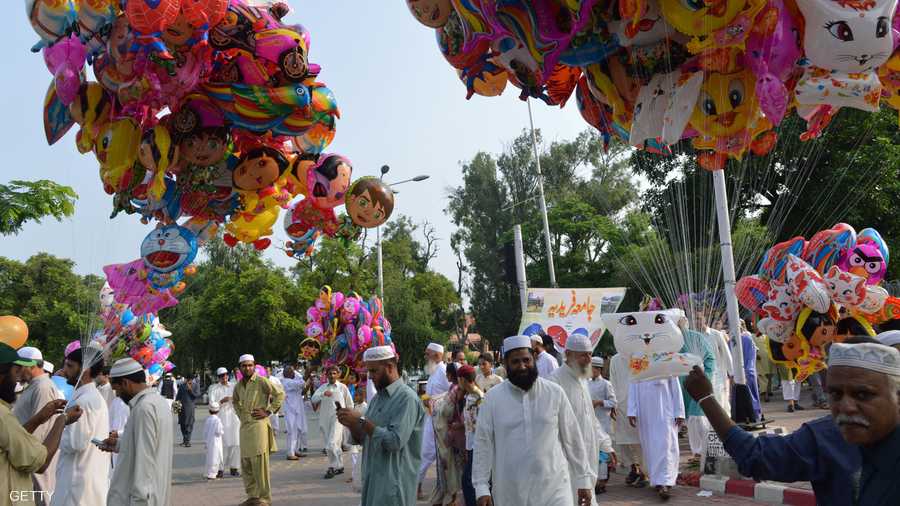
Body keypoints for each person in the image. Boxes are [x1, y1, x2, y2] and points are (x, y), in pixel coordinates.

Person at [473, 335, 593, 506]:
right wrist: (481, 487)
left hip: (555, 488)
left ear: (534, 359)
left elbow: (573, 438)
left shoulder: (554, 392)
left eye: (526, 360)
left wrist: (583, 480)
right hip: (510, 491)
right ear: (506, 365)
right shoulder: (493, 398)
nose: (522, 366)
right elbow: (482, 444)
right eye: (515, 362)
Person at [337, 345, 424, 506]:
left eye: (374, 371)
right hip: (373, 483)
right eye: (368, 372)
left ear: (390, 367)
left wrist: (361, 420)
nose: (370, 377)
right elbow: (366, 438)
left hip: (394, 487)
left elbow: (394, 441)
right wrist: (351, 423)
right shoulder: (377, 398)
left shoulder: (407, 399)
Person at [1, 342, 82, 506]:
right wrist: (63, 420)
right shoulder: (3, 414)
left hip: (29, 462)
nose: (16, 378)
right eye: (13, 372)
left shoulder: (42, 387)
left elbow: (31, 437)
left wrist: (39, 418)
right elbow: (37, 458)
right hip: (27, 461)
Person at [549, 334, 613, 504]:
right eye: (583, 355)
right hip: (566, 460)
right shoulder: (554, 381)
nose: (588, 359)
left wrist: (606, 445)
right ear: (568, 354)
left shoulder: (583, 380)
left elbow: (590, 418)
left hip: (589, 454)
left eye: (590, 354)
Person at [103, 357, 174, 506]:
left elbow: (145, 461)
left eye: (117, 390)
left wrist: (139, 500)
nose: (117, 395)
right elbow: (147, 446)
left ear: (126, 383)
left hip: (143, 499)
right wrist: (118, 445)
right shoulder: (158, 402)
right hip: (153, 494)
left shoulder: (144, 408)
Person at [53, 345, 110, 505]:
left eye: (69, 366)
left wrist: (57, 427)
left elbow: (74, 443)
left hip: (77, 484)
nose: (64, 371)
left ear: (84, 370)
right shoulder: (88, 396)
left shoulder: (85, 400)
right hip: (80, 480)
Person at [12, 346, 63, 503]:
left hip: (35, 461)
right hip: (26, 459)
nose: (17, 371)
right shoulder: (33, 386)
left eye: (19, 367)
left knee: (40, 500)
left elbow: (41, 430)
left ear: (32, 365)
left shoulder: (43, 387)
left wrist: (28, 458)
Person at [233, 354, 284, 505]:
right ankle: (253, 497)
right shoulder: (238, 385)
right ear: (240, 367)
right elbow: (235, 401)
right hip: (245, 427)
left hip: (258, 426)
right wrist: (241, 414)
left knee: (259, 464)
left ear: (254, 365)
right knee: (246, 463)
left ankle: (265, 499)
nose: (247, 368)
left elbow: (280, 394)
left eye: (250, 365)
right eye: (244, 365)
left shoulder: (261, 381)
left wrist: (268, 411)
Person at [628, 371, 685, 500]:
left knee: (666, 445)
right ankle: (657, 481)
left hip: (665, 412)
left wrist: (679, 412)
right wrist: (632, 410)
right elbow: (633, 385)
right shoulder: (638, 361)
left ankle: (666, 482)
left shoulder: (667, 359)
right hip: (645, 414)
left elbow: (675, 388)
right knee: (650, 447)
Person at [680, 314, 717, 462]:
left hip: (699, 381)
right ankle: (698, 453)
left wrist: (705, 376)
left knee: (698, 417)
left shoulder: (697, 337)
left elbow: (710, 358)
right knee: (690, 418)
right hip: (682, 385)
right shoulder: (669, 341)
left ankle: (704, 452)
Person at [608, 352, 646, 487]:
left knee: (638, 441)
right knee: (622, 440)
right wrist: (613, 403)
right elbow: (612, 382)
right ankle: (632, 468)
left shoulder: (640, 357)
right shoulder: (615, 359)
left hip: (638, 405)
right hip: (620, 404)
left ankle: (644, 472)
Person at [419, 342, 450, 498]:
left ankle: (419, 486)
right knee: (426, 451)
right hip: (430, 417)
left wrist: (434, 400)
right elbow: (430, 393)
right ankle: (419, 486)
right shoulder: (433, 372)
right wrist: (426, 399)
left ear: (437, 355)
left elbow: (452, 392)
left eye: (427, 353)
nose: (425, 356)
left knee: (429, 452)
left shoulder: (444, 371)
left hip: (441, 419)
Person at [429, 363, 463, 505]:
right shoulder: (454, 388)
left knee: (449, 465)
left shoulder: (455, 389)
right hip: (451, 432)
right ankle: (450, 497)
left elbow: (446, 412)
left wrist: (434, 406)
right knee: (449, 465)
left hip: (450, 433)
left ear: (450, 374)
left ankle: (452, 498)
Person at [311, 365, 353, 479]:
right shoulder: (323, 387)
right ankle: (339, 466)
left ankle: (332, 466)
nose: (332, 375)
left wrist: (350, 418)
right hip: (325, 419)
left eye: (334, 373)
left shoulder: (342, 387)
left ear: (338, 374)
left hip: (338, 418)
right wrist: (322, 394)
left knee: (331, 443)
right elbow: (313, 399)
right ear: (326, 375)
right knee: (333, 444)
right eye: (330, 373)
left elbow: (349, 404)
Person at [457, 364, 483, 506]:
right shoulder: (468, 397)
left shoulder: (479, 397)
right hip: (470, 445)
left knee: (468, 481)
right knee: (469, 481)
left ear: (462, 379)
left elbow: (480, 425)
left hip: (478, 445)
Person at [208, 367, 241, 476]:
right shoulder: (214, 388)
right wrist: (222, 401)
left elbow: (240, 399)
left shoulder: (234, 386)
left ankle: (234, 467)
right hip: (221, 418)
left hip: (234, 417)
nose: (224, 377)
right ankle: (220, 469)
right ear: (218, 377)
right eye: (222, 376)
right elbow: (212, 404)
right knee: (221, 444)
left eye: (226, 374)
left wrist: (234, 399)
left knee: (236, 443)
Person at [280, 365, 307, 460]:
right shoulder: (286, 382)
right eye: (291, 372)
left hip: (297, 408)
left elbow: (302, 389)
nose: (293, 374)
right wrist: (300, 374)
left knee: (299, 429)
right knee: (292, 431)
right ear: (286, 374)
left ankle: (295, 450)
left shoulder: (292, 381)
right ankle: (290, 453)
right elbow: (302, 383)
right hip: (290, 410)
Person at [587, 357, 616, 437]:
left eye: (592, 368)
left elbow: (613, 402)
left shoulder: (606, 384)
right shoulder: (586, 383)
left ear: (598, 369)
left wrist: (599, 402)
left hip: (603, 422)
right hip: (589, 421)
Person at [347, 386, 367, 492]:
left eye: (357, 395)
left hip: (361, 434)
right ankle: (353, 474)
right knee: (353, 454)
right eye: (355, 395)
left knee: (357, 455)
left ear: (363, 396)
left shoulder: (365, 407)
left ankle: (356, 475)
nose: (355, 397)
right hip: (354, 433)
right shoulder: (356, 406)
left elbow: (364, 419)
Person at [175, 374, 200, 447]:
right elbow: (178, 396)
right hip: (182, 407)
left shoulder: (195, 385)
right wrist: (176, 405)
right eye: (188, 379)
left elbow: (197, 395)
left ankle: (187, 440)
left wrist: (190, 390)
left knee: (189, 423)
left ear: (192, 380)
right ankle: (185, 440)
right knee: (182, 423)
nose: (189, 381)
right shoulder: (182, 386)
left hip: (190, 408)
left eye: (190, 380)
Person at [204, 401, 225, 480]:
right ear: (218, 411)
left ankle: (208, 472)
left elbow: (205, 432)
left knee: (209, 457)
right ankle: (212, 474)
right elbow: (219, 431)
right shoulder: (217, 420)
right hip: (216, 442)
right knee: (215, 457)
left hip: (209, 441)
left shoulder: (208, 419)